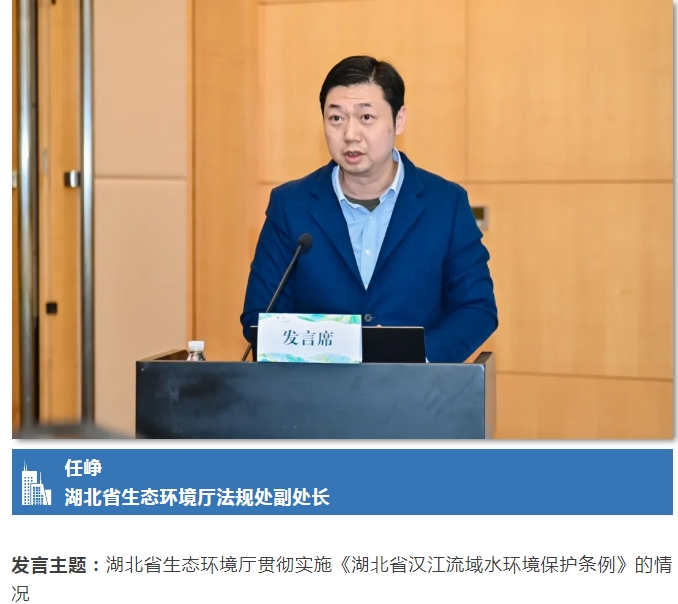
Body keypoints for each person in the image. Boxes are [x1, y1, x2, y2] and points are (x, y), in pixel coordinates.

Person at [241, 56, 497, 362]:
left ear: (399, 120)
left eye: (366, 117)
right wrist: (332, 353)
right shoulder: (290, 206)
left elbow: (477, 308)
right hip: (318, 387)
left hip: (417, 386)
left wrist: (418, 360)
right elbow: (260, 316)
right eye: (336, 118)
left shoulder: (445, 204)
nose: (350, 134)